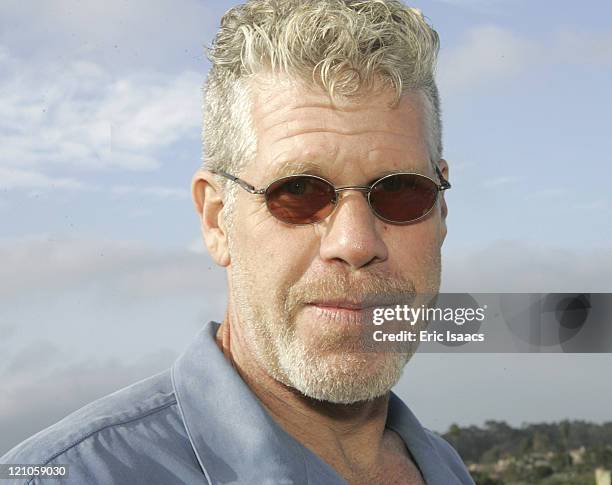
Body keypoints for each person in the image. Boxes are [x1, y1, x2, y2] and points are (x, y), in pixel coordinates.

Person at [1, 1, 474, 483]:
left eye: (399, 191)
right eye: (297, 191)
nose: (354, 242)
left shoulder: (448, 469)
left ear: (441, 210)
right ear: (216, 220)